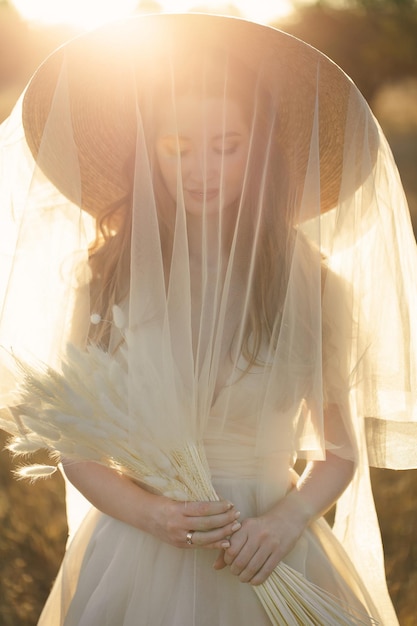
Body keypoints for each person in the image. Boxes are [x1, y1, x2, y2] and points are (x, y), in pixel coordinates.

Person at [0, 12, 416, 626]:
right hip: (139, 546)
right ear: (151, 150)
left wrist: (284, 522)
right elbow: (77, 449)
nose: (200, 170)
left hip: (269, 549)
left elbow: (338, 451)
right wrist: (154, 516)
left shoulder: (316, 283)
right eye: (178, 148)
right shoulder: (106, 276)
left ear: (260, 149)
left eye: (226, 147)